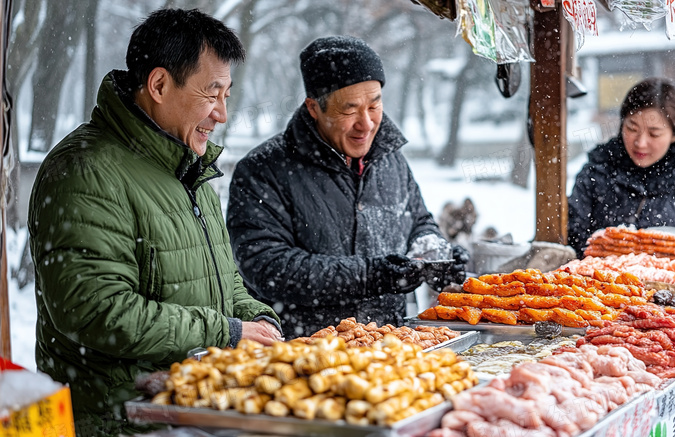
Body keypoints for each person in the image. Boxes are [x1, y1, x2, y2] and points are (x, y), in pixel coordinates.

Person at [28, 9, 282, 436]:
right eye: (212, 92)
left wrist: (260, 321)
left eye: (228, 93)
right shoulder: (86, 171)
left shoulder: (190, 167)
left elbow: (220, 281)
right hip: (119, 421)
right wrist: (227, 331)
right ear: (159, 85)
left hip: (189, 412)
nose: (221, 113)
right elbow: (97, 312)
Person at [227, 36, 469, 337]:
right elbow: (267, 268)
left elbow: (418, 221)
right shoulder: (263, 169)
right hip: (305, 353)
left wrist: (434, 254)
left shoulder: (390, 157)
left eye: (374, 104)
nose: (366, 123)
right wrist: (370, 276)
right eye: (350, 109)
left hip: (391, 346)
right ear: (314, 108)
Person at [567, 77, 675, 257]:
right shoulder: (597, 171)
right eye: (632, 129)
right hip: (599, 281)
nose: (640, 143)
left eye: (654, 133)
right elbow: (574, 239)